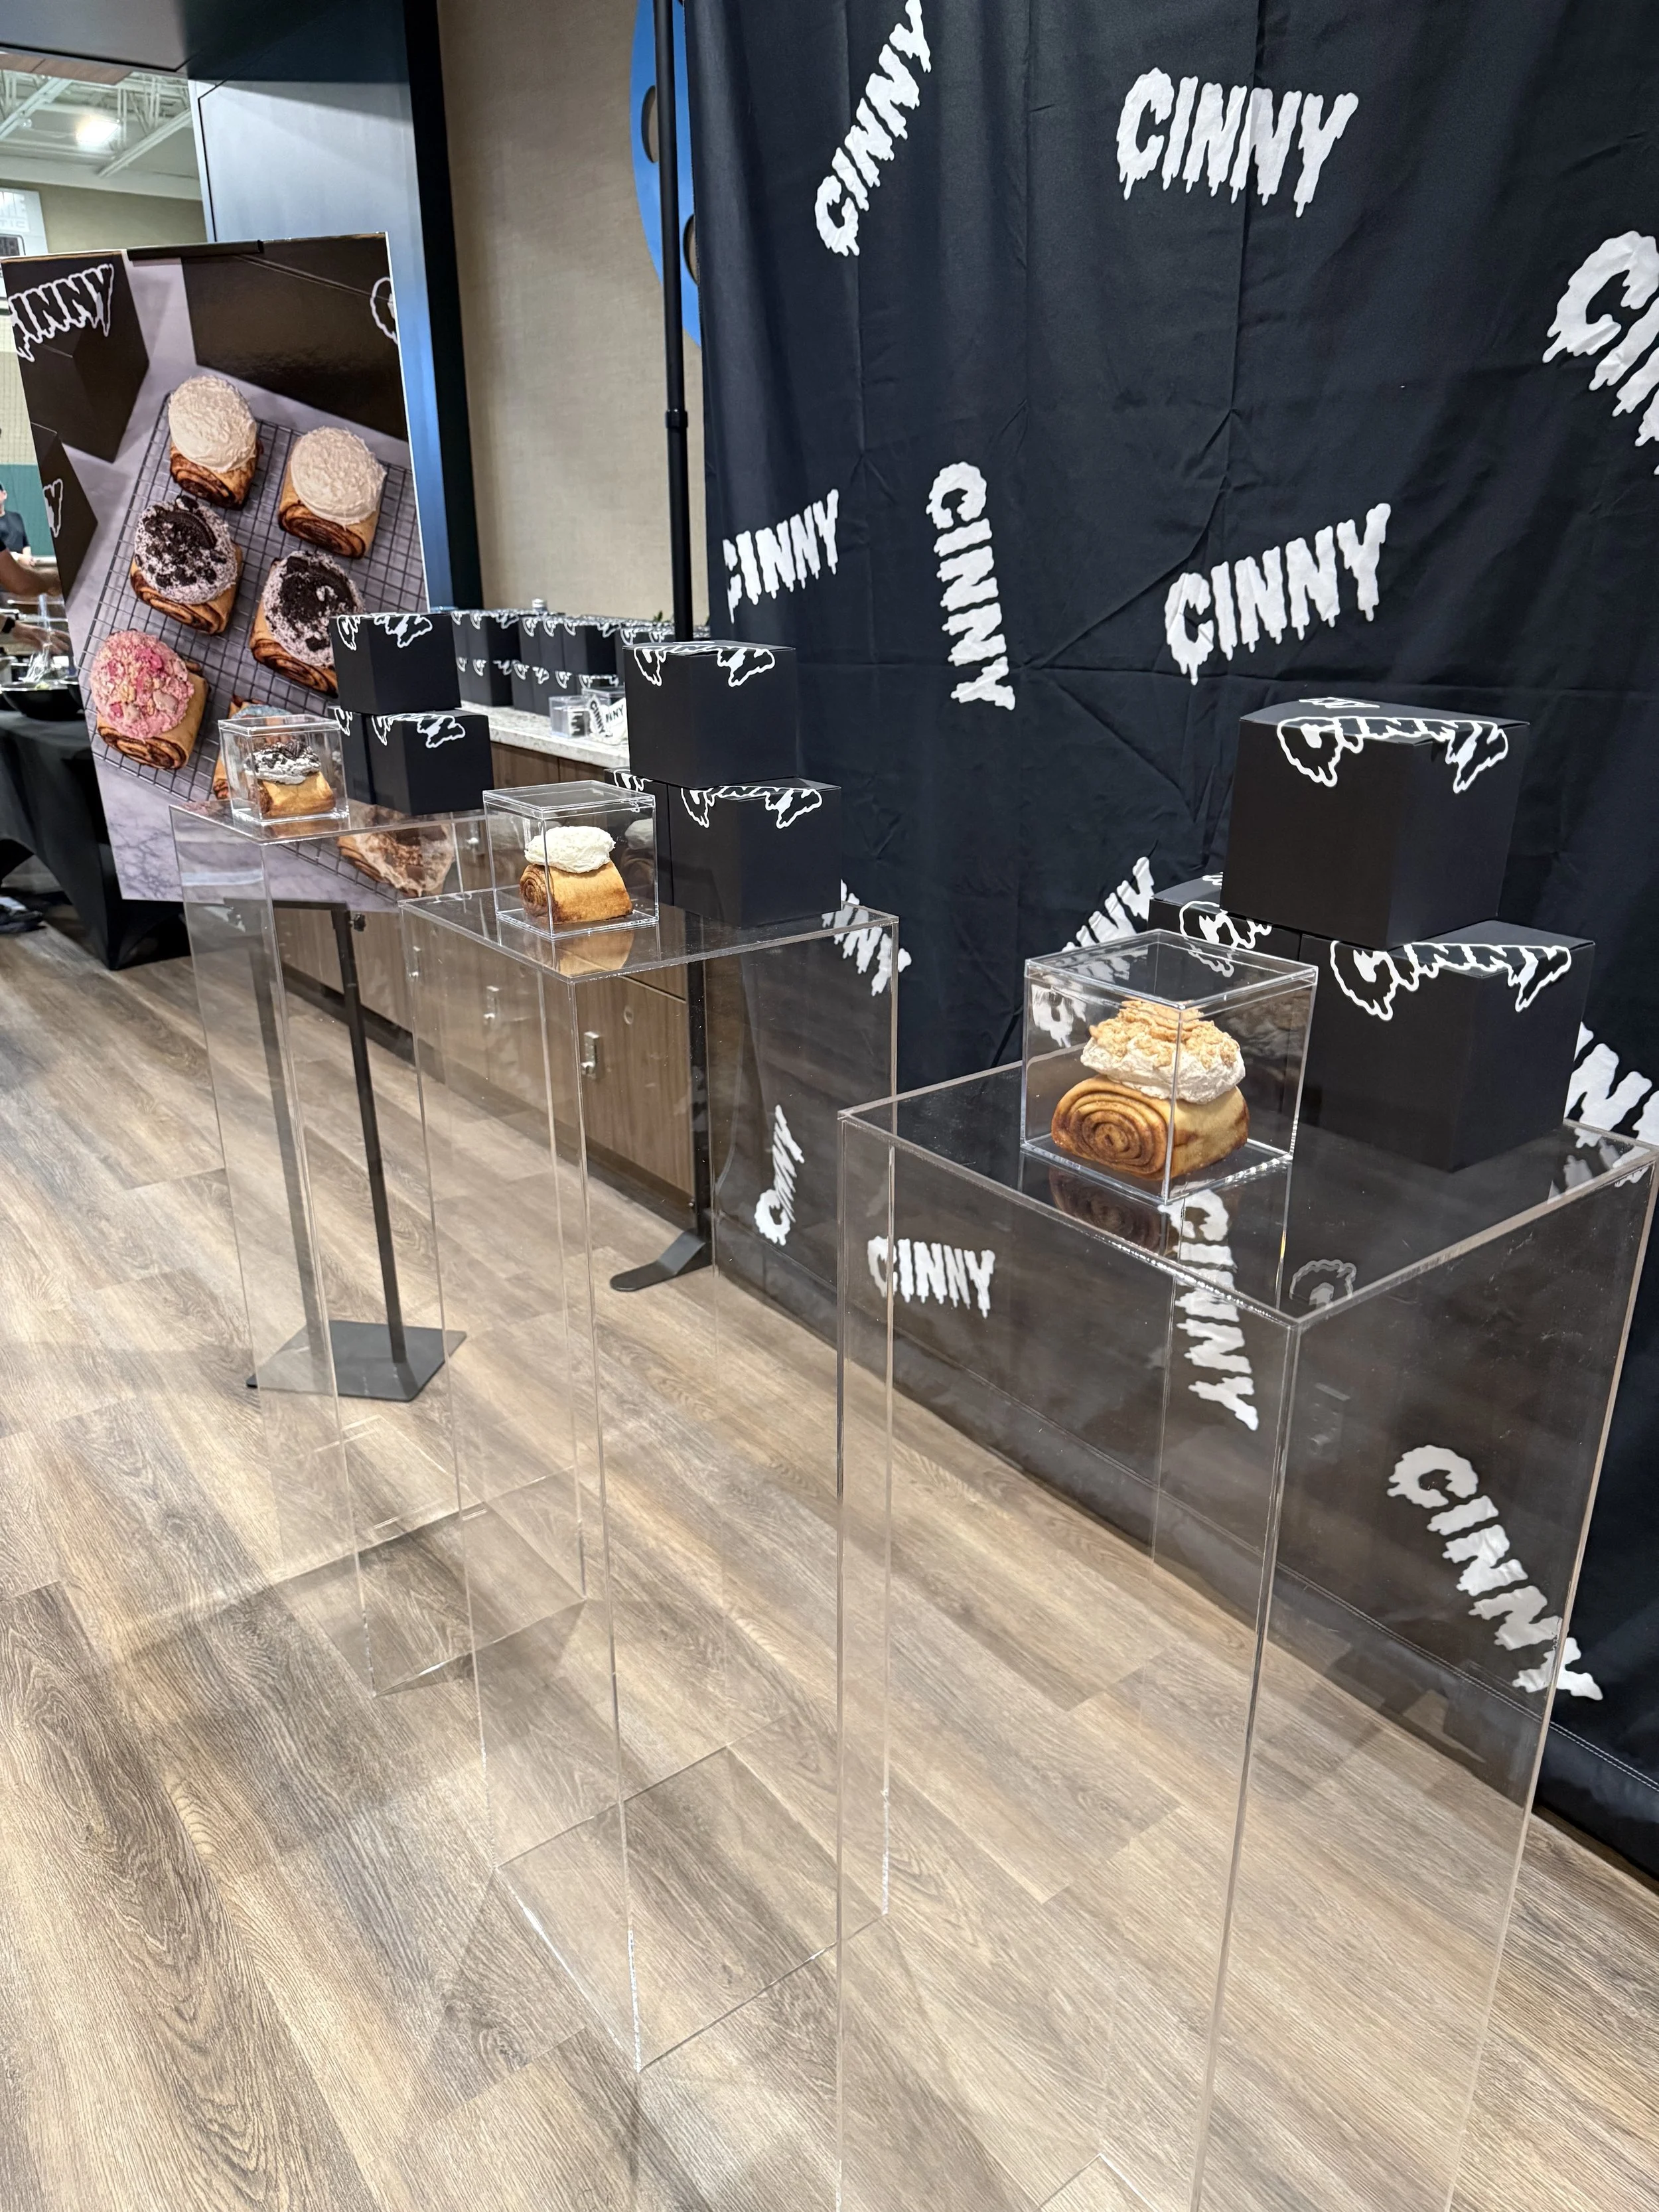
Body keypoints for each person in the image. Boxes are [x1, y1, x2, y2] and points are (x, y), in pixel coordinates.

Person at [0, 484, 27, 556]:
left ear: (4, 494)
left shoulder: (16, 517)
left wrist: (27, 558)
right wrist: (18, 558)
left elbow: (25, 543)